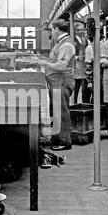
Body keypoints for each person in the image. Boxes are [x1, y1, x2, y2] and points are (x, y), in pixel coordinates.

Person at [37, 18, 76, 151]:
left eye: (52, 29)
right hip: (56, 82)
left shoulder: (66, 45)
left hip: (62, 82)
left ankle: (65, 141)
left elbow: (61, 66)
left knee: (62, 111)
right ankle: (56, 138)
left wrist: (44, 63)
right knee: (56, 110)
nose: (52, 32)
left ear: (57, 29)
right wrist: (45, 60)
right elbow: (56, 60)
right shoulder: (61, 43)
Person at [73, 22, 90, 104]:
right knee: (75, 89)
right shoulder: (72, 40)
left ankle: (84, 104)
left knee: (84, 89)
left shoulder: (86, 40)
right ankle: (74, 104)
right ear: (75, 30)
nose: (80, 31)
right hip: (76, 67)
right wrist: (77, 57)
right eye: (78, 30)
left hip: (85, 67)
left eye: (82, 30)